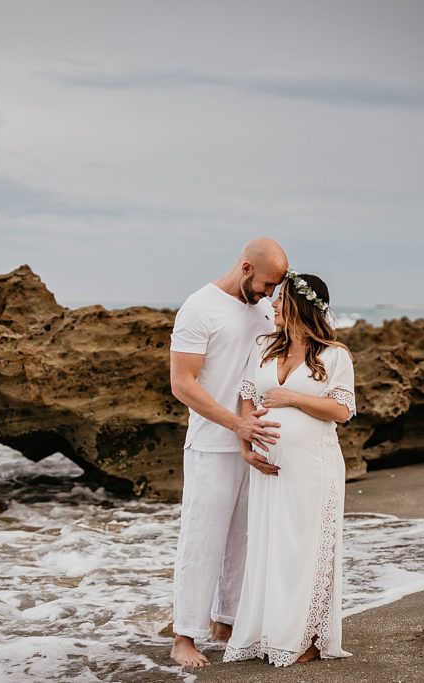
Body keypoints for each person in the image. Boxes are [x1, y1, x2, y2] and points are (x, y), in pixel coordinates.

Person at [223, 270, 356, 667]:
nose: (273, 304)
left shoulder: (334, 355)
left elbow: (343, 410)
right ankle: (270, 632)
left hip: (314, 466)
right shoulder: (263, 345)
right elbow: (247, 398)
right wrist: (245, 446)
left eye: (280, 299)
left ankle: (308, 637)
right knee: (270, 546)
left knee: (307, 547)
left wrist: (294, 398)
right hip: (269, 466)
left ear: (300, 305)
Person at [168, 237, 289, 668]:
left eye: (277, 288)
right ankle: (184, 635)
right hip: (210, 444)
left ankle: (225, 622)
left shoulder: (262, 310)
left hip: (253, 443)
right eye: (267, 284)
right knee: (202, 540)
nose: (270, 295)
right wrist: (235, 424)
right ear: (245, 268)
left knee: (243, 539)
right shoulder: (198, 308)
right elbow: (182, 384)